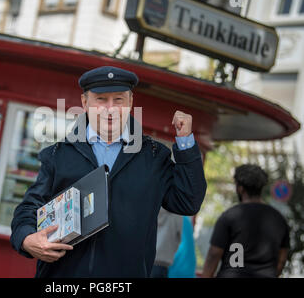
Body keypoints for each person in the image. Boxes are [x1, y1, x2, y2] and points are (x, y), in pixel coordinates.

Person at [10, 65, 207, 277]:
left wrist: (186, 142)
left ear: (131, 102)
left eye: (119, 99)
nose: (110, 108)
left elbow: (188, 201)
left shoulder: (154, 156)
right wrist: (27, 239)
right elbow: (29, 208)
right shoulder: (58, 155)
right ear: (85, 103)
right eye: (101, 99)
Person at [202, 164, 290, 278]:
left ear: (240, 188)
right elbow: (282, 259)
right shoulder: (279, 219)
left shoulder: (229, 216)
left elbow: (214, 254)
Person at [151, 208, 183, 278]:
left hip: (146, 259)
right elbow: (178, 238)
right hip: (163, 263)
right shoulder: (179, 213)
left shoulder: (153, 205)